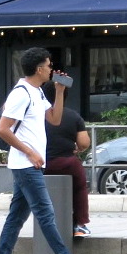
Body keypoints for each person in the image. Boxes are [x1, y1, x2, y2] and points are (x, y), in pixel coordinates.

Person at [0, 47, 96, 254]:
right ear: (39, 69)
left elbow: (55, 119)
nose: (51, 68)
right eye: (48, 65)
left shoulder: (36, 92)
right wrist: (30, 152)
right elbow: (2, 130)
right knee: (45, 213)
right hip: (26, 164)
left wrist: (58, 91)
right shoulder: (21, 94)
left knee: (16, 216)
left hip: (29, 163)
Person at [41, 82, 91, 239]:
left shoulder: (36, 115)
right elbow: (84, 143)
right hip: (66, 163)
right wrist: (77, 148)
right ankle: (80, 225)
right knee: (80, 186)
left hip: (40, 164)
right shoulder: (73, 116)